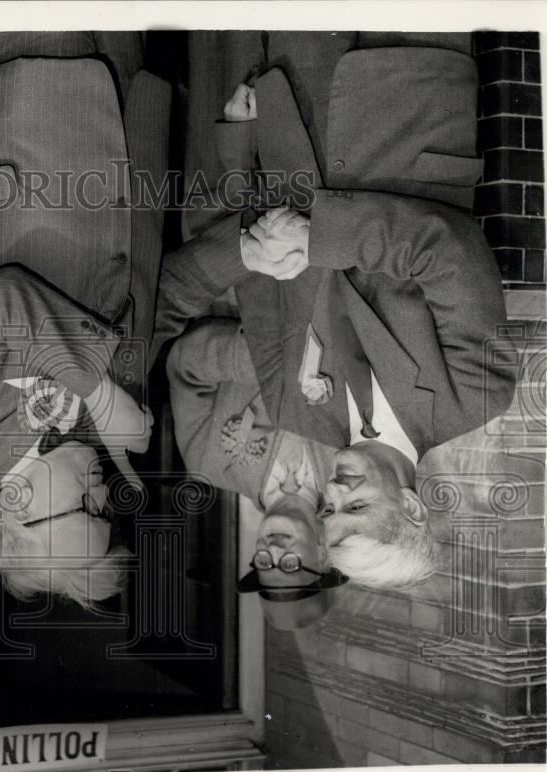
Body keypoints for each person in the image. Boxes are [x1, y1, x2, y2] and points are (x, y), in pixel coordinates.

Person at [153, 31, 518, 590]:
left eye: (329, 513)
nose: (335, 496)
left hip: (281, 109)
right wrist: (320, 239)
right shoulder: (477, 396)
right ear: (413, 508)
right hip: (389, 84)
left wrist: (239, 148)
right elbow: (446, 250)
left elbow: (258, 285)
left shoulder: (296, 414)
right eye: (358, 508)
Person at [0, 32, 173, 607]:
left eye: (84, 508)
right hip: (121, 108)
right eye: (106, 511)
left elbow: (4, 303)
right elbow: (154, 288)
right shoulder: (96, 434)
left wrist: (101, 393)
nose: (102, 493)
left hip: (29, 102)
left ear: (16, 513)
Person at [168, 319, 347, 628]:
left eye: (264, 562)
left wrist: (268, 367)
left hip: (259, 290)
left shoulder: (207, 463)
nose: (273, 549)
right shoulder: (351, 470)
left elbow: (185, 366)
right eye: (290, 564)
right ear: (322, 556)